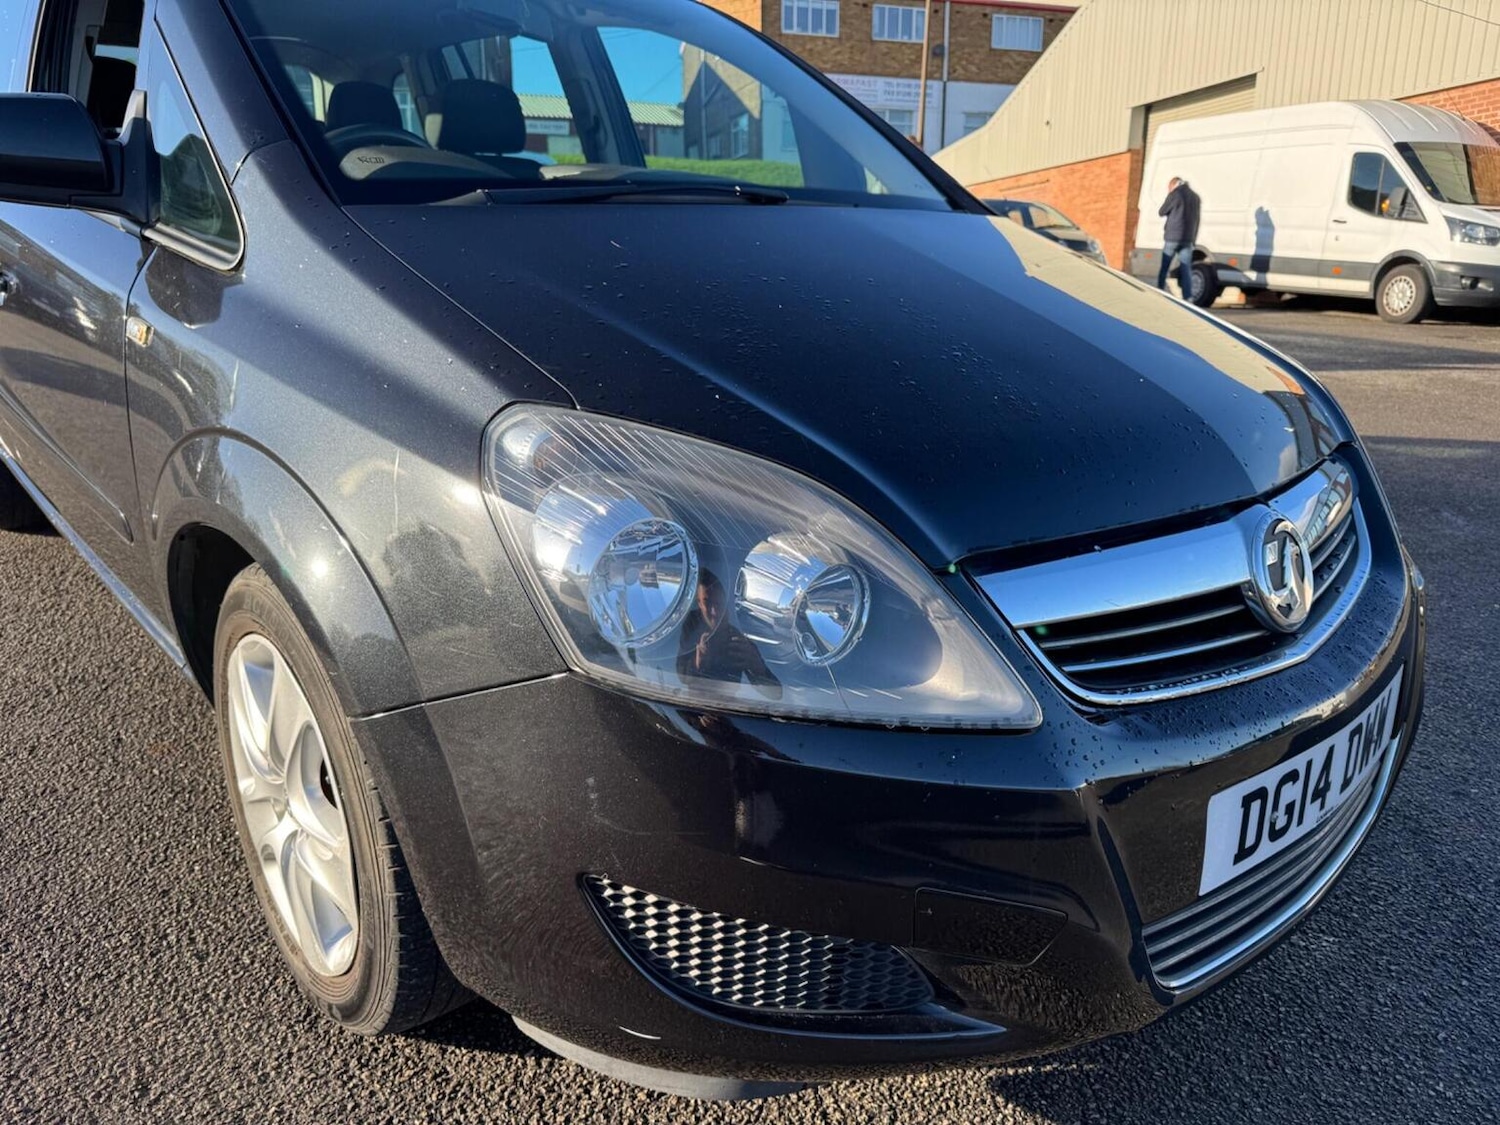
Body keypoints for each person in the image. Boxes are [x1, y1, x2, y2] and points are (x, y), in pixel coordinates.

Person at [1156, 176, 1201, 298]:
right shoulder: (1195, 197)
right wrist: (1193, 239)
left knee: (1165, 267)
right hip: (1187, 239)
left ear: (1173, 185)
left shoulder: (1175, 194)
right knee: (1185, 269)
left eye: (1169, 188)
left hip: (1172, 237)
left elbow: (1161, 211)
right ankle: (1187, 297)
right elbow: (1197, 220)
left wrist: (1169, 195)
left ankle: (1159, 291)